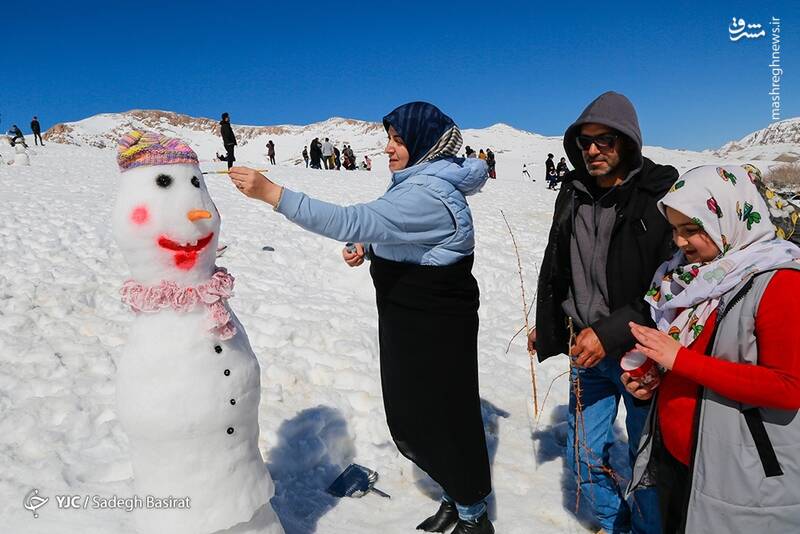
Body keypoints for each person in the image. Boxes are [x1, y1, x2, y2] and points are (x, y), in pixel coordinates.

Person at [228, 101, 494, 534]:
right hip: (411, 321)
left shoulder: (428, 195)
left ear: (424, 143)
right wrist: (369, 247)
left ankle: (474, 516)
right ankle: (456, 494)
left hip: (435, 327)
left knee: (442, 416)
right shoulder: (418, 183)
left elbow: (353, 219)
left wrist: (273, 194)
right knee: (422, 415)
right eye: (389, 139)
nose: (388, 148)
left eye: (398, 140)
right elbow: (399, 234)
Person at [530, 91, 678, 534]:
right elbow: (560, 265)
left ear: (627, 141)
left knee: (646, 461)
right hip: (586, 351)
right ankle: (617, 525)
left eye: (604, 140)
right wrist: (550, 323)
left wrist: (610, 333)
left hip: (640, 353)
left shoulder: (657, 198)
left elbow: (669, 289)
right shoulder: (573, 192)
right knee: (583, 456)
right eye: (585, 141)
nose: (592, 150)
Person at [623, 164, 800, 533]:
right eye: (674, 229)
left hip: (738, 476)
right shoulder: (688, 280)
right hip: (677, 460)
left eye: (691, 229)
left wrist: (679, 360)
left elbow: (789, 387)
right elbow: (692, 364)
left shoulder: (780, 282)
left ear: (730, 218)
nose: (679, 242)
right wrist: (654, 379)